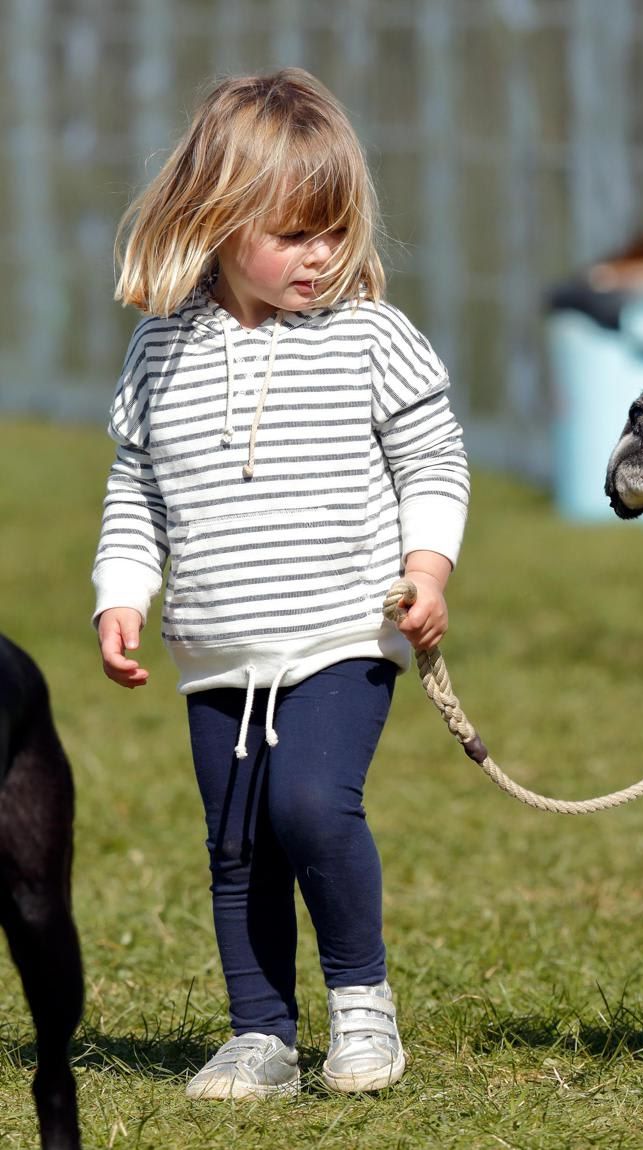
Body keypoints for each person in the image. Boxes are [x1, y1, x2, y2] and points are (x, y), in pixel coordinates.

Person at [91, 68, 469, 1100]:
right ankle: (259, 1032)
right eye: (296, 234)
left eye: (336, 230)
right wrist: (122, 591)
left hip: (339, 630)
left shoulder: (369, 335)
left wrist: (426, 566)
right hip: (215, 645)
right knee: (238, 841)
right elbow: (138, 487)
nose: (322, 256)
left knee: (310, 803)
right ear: (215, 221)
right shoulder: (159, 349)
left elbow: (433, 459)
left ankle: (362, 1007)